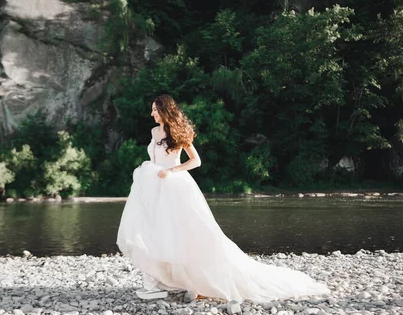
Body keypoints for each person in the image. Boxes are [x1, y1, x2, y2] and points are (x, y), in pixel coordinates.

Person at [116, 94, 330, 302]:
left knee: (185, 233)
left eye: (155, 109)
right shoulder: (154, 131)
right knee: (155, 230)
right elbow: (155, 157)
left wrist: (172, 171)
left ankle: (195, 280)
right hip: (153, 184)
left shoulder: (178, 132)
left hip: (173, 185)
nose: (151, 113)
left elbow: (195, 161)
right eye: (152, 109)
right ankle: (160, 281)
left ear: (165, 110)